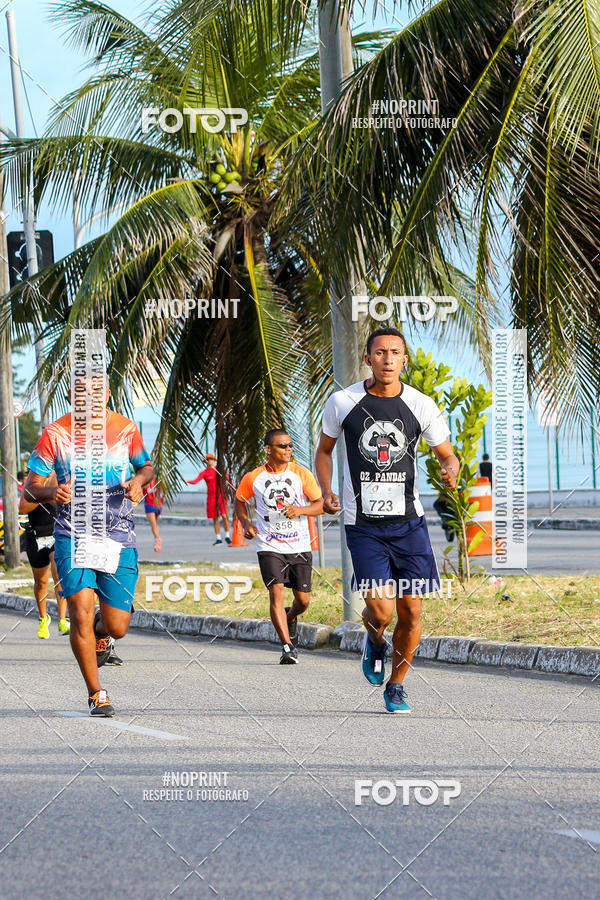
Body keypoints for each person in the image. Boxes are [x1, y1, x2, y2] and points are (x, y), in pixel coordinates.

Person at [315, 328, 459, 713]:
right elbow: (324, 451)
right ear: (368, 358)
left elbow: (447, 454)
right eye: (380, 352)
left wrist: (450, 467)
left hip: (408, 525)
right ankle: (375, 641)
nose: (388, 359)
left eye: (395, 352)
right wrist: (326, 490)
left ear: (404, 359)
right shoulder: (344, 401)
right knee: (381, 610)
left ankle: (396, 685)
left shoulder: (420, 404)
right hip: (363, 526)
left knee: (411, 610)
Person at [23, 381, 154, 717]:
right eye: (81, 393)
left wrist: (138, 482)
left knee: (117, 627)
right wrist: (53, 492)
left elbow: (146, 467)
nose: (89, 399)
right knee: (78, 611)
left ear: (108, 395)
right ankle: (97, 693)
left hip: (118, 536)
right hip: (72, 535)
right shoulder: (55, 433)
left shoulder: (125, 429)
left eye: (97, 393)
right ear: (71, 397)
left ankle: (102, 630)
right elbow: (30, 489)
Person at [235, 430, 323, 664]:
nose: (288, 450)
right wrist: (246, 523)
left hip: (299, 544)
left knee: (303, 600)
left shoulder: (300, 474)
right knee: (276, 593)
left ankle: (290, 616)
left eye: (290, 445)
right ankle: (287, 646)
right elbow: (240, 500)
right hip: (268, 544)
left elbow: (320, 504)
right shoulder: (253, 477)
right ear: (268, 449)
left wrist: (301, 510)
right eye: (282, 446)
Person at [19, 470, 70, 639]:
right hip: (35, 537)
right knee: (41, 582)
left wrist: (52, 491)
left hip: (55, 535)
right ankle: (43, 618)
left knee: (58, 577)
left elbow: (61, 503)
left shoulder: (57, 485)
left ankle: (62, 619)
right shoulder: (32, 489)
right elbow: (24, 508)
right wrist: (43, 494)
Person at [187, 453, 232, 544]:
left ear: (214, 460)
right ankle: (218, 538)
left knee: (224, 515)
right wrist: (187, 481)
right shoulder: (204, 472)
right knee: (215, 517)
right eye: (208, 460)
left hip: (221, 496)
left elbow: (228, 480)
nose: (209, 461)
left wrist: (234, 488)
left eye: (211, 459)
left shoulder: (219, 470)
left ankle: (227, 535)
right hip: (211, 497)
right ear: (206, 461)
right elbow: (195, 481)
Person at [144, 478, 163, 553]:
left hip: (156, 505)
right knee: (154, 525)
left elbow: (164, 489)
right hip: (152, 505)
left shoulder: (158, 480)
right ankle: (157, 540)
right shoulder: (145, 481)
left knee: (155, 525)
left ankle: (157, 540)